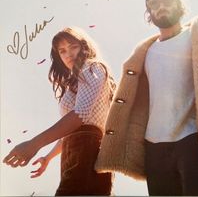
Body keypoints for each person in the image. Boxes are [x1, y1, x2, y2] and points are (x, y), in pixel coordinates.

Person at [95, 0, 198, 196]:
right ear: (149, 12)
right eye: (154, 4)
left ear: (180, 4)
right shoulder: (144, 53)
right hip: (154, 148)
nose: (161, 6)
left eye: (167, 0)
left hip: (195, 140)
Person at [3, 26, 115, 196]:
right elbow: (70, 131)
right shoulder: (74, 82)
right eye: (62, 51)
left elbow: (81, 115)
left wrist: (34, 144)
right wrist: (48, 157)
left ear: (85, 47)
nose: (68, 54)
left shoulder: (93, 67)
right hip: (75, 151)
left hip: (89, 149)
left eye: (73, 47)